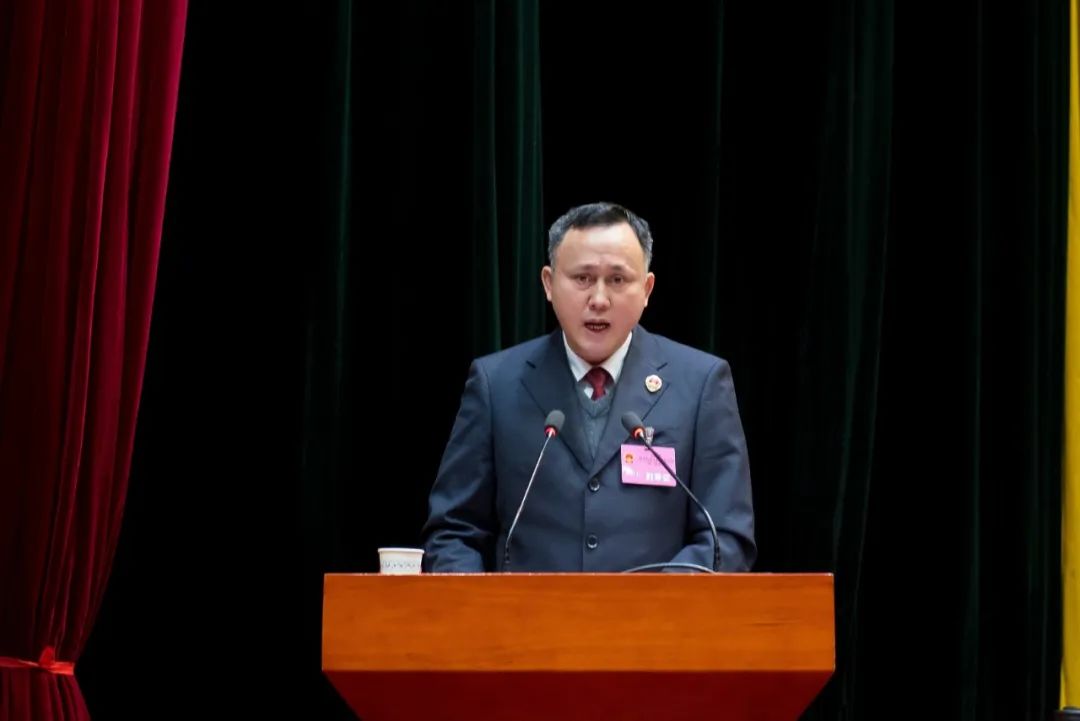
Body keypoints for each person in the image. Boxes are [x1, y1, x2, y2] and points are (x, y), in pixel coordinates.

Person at [421, 202, 755, 572]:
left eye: (617, 280)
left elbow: (725, 536)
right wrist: (483, 602)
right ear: (549, 284)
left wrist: (656, 598)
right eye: (582, 278)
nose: (598, 299)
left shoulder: (701, 384)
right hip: (525, 610)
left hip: (657, 610)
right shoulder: (495, 384)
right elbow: (454, 531)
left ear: (646, 289)